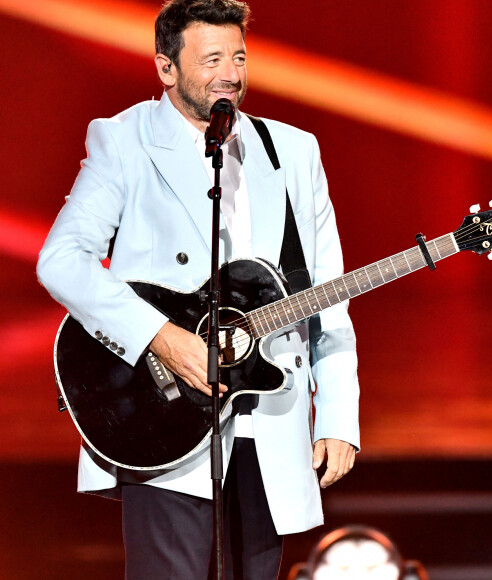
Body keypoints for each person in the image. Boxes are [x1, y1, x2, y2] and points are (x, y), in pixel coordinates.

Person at [37, 0, 360, 578]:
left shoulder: (292, 151)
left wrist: (337, 413)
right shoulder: (124, 141)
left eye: (239, 56)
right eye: (212, 59)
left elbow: (327, 291)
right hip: (162, 416)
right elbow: (62, 261)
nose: (230, 74)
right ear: (166, 68)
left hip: (268, 417)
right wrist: (162, 338)